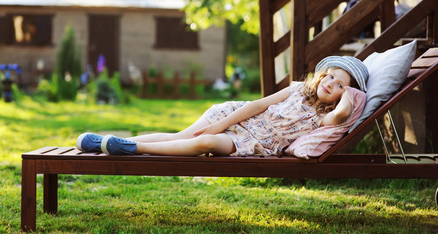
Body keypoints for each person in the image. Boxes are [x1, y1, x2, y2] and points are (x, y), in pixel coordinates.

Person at [76, 56, 369, 157]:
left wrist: (351, 92)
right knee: (181, 136)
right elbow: (256, 104)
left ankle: (128, 148)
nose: (331, 83)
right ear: (321, 74)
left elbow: (344, 113)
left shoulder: (324, 117)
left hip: (252, 142)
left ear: (348, 93)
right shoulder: (295, 90)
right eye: (330, 75)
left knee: (202, 141)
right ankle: (106, 143)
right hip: (233, 116)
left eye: (341, 85)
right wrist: (222, 122)